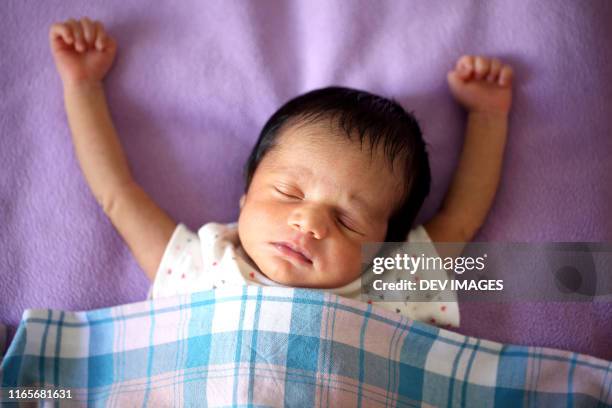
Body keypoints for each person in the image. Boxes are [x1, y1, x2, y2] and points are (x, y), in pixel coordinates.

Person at [48, 17, 513, 327]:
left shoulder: (395, 280)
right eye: (289, 192)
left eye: (347, 220)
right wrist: (82, 85)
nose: (309, 223)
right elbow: (117, 193)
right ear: (245, 196)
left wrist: (487, 116)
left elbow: (463, 215)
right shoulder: (203, 265)